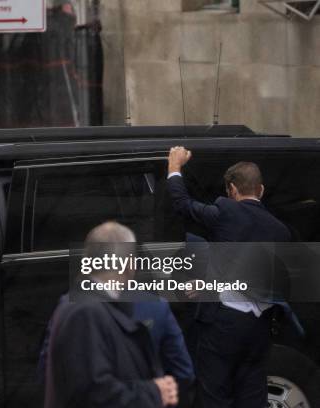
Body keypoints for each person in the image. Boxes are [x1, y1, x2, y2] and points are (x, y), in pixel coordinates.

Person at [167, 146, 292, 408]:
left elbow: (182, 204)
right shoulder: (281, 232)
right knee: (251, 396)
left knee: (214, 395)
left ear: (232, 190)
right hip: (259, 329)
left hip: (223, 325)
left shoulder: (225, 212)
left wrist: (174, 168)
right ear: (261, 190)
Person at [44, 221, 178, 408]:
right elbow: (94, 394)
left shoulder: (84, 305)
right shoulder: (86, 313)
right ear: (129, 266)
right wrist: (154, 393)